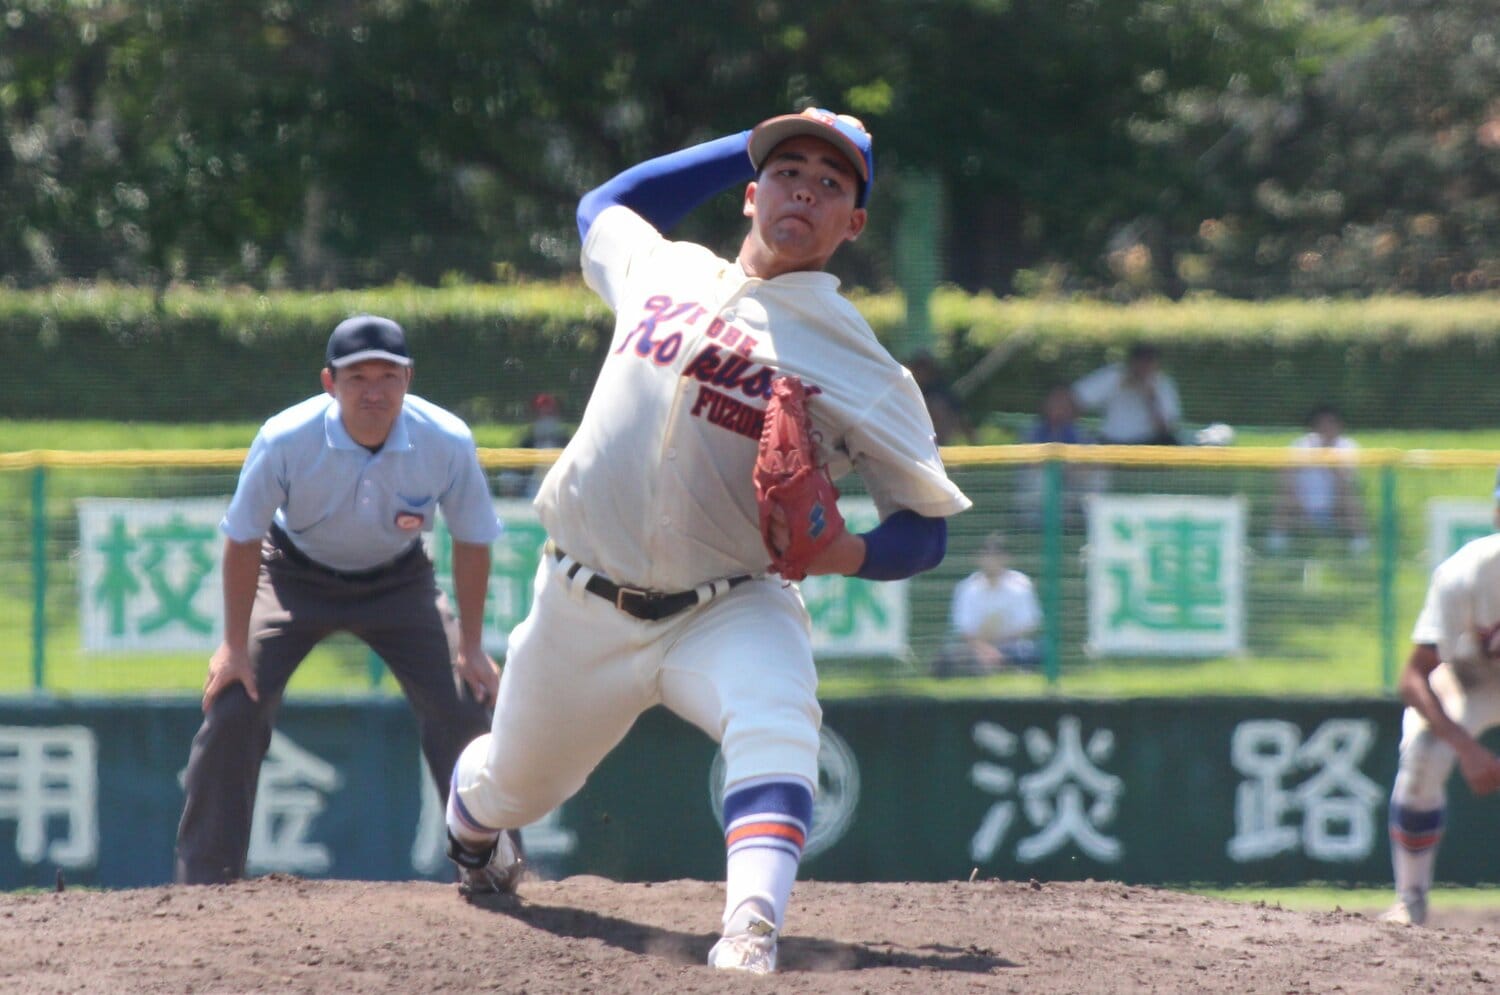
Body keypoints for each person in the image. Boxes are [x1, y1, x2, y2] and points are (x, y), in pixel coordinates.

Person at [442, 108, 972, 975]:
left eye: (832, 182)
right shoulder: (665, 269)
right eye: (787, 171)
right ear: (750, 194)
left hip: (730, 602)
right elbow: (605, 202)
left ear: (855, 223)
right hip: (583, 599)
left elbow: (927, 532)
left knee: (778, 712)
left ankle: (751, 929)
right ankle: (472, 824)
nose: (805, 186)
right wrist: (747, 146)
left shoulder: (862, 364)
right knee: (516, 784)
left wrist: (847, 553)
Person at [175, 315, 503, 885]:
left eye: (387, 376)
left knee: (464, 701)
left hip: (400, 579)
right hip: (293, 574)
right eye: (357, 378)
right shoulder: (286, 437)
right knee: (234, 701)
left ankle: (494, 867)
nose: (373, 391)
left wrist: (471, 647)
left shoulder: (444, 439)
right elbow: (243, 536)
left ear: (409, 378)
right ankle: (205, 881)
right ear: (330, 383)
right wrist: (232, 646)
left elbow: (473, 539)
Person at [1381, 525, 1500, 926]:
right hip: (1472, 677)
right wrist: (1467, 748)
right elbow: (1413, 678)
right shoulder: (1465, 573)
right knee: (1425, 753)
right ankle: (1410, 900)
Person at [1267, 403, 1370, 555]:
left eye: (1330, 423)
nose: (1326, 428)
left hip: (1335, 505)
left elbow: (1346, 480)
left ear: (1339, 425)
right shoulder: (1302, 444)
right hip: (1303, 504)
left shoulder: (1347, 446)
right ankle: (1276, 544)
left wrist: (1327, 455)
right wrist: (1297, 500)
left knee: (1351, 499)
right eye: (1322, 424)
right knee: (1283, 497)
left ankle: (1360, 543)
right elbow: (1285, 473)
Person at [934, 533, 1043, 676]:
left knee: (1033, 651)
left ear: (1006, 557)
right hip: (975, 648)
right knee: (948, 657)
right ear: (978, 558)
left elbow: (1029, 623)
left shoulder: (1021, 585)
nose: (991, 560)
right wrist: (986, 649)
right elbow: (964, 630)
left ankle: (1000, 667)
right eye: (987, 554)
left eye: (996, 555)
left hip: (1013, 647)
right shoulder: (966, 588)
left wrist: (997, 645)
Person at [1070, 342, 1181, 445]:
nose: (1144, 365)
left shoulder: (1163, 384)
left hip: (1146, 443)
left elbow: (1167, 429)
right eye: (1140, 360)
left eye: (1149, 360)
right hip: (1110, 442)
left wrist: (1150, 398)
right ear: (1132, 361)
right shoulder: (1114, 376)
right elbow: (1076, 399)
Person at [496, 392, 572, 498]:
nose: (546, 419)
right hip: (528, 501)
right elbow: (509, 477)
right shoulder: (526, 443)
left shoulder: (568, 442)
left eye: (549, 414)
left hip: (562, 498)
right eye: (541, 414)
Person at [907, 350, 973, 445]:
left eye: (924, 369)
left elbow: (962, 419)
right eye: (918, 369)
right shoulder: (909, 389)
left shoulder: (942, 392)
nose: (921, 373)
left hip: (942, 440)